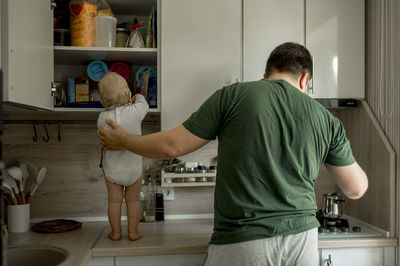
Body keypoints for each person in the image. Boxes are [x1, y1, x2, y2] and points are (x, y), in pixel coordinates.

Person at [99, 43, 368, 265]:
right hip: (302, 242)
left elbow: (172, 146)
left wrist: (124, 140)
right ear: (305, 79)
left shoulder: (234, 95)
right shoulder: (326, 119)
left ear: (266, 74)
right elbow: (355, 188)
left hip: (243, 242)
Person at [97, 72, 149, 241]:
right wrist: (138, 96)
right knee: (133, 201)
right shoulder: (135, 111)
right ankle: (133, 233)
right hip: (133, 169)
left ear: (102, 102)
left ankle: (116, 233)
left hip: (112, 170)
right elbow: (144, 105)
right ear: (128, 97)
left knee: (114, 202)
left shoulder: (102, 118)